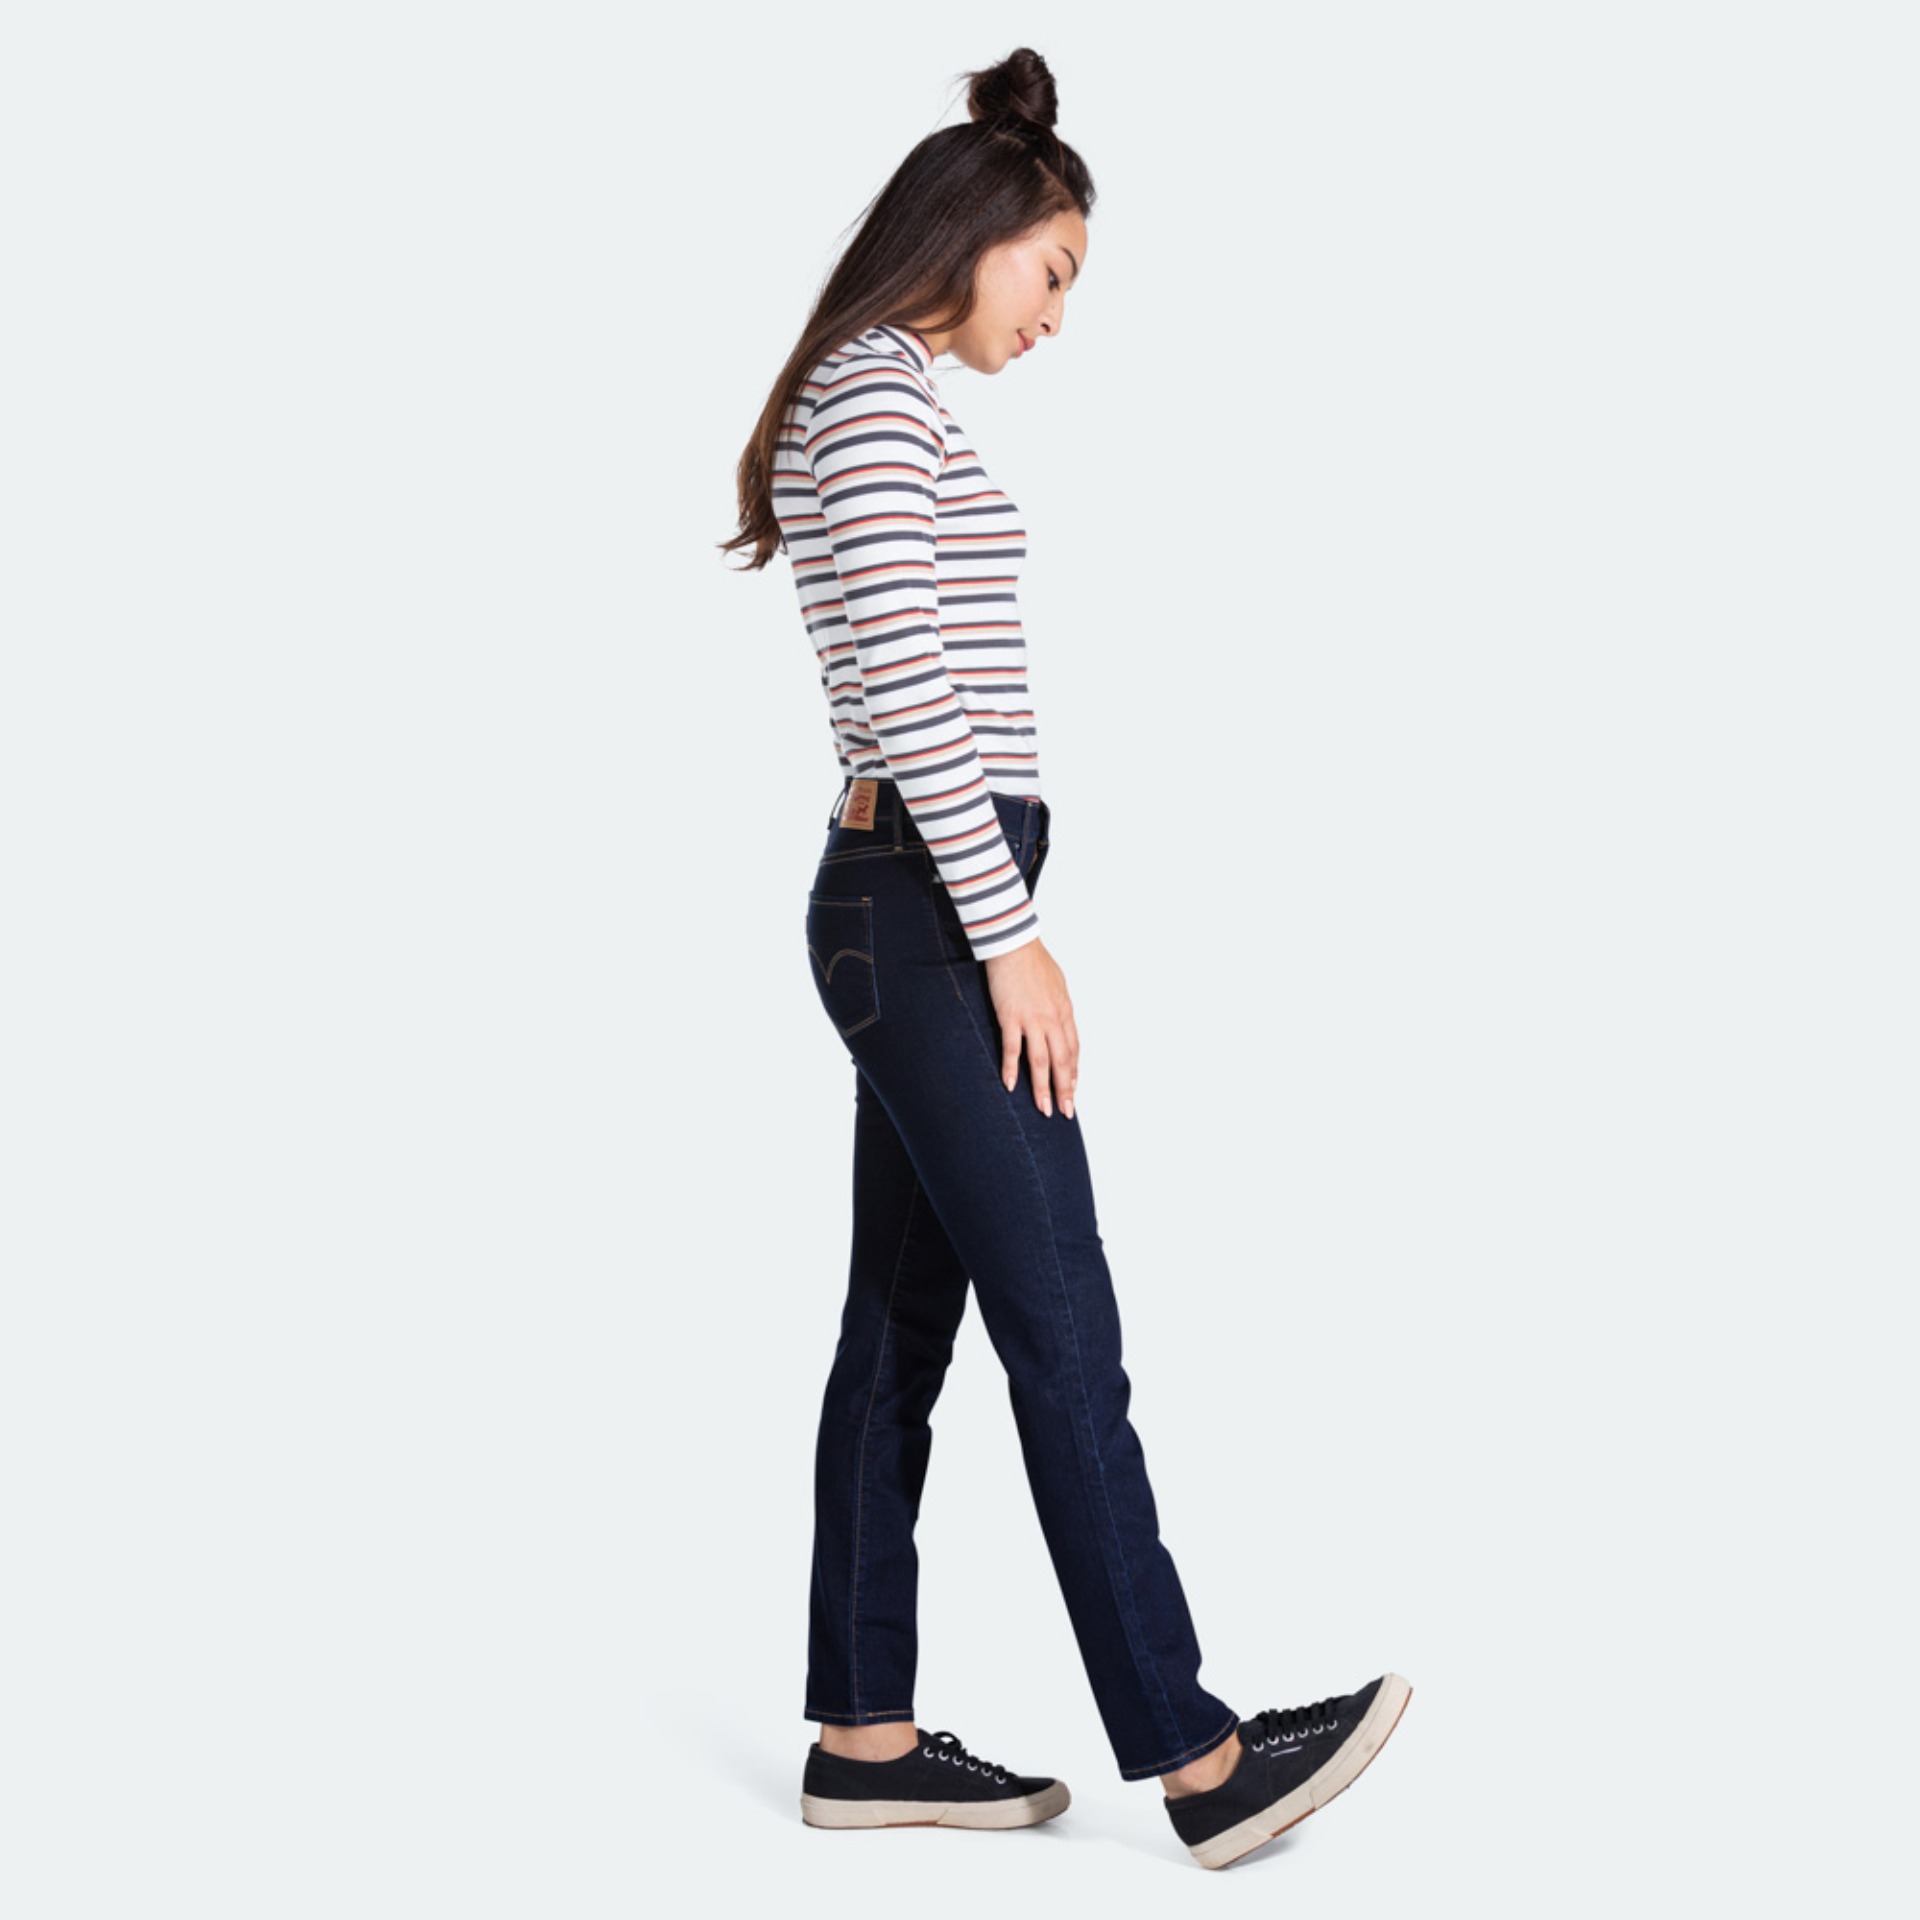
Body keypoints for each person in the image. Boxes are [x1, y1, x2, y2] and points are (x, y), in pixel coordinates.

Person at [722, 45, 1411, 1871]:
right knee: (1063, 1325)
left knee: (899, 1325)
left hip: (920, 903)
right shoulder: (875, 399)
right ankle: (1199, 1758)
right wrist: (1014, 938)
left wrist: (992, 916)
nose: (1056, 315)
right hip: (933, 909)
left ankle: (864, 1738)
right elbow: (916, 694)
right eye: (1055, 272)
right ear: (974, 230)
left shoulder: (877, 394)